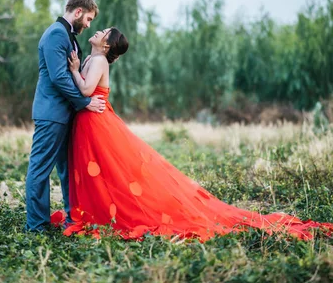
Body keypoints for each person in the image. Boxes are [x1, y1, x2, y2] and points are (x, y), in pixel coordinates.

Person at [51, 27, 333, 242]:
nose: (97, 31)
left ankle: (107, 212)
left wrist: (75, 72)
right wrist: (78, 69)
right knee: (95, 171)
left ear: (107, 44)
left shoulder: (99, 62)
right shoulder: (92, 56)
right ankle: (94, 209)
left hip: (98, 122)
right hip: (88, 121)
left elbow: (86, 91)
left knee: (111, 169)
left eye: (103, 32)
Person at [25, 0, 106, 232]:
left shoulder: (66, 35)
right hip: (51, 113)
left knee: (67, 170)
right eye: (89, 18)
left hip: (64, 115)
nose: (89, 24)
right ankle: (36, 227)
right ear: (78, 12)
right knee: (40, 168)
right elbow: (58, 76)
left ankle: (74, 219)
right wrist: (84, 101)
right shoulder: (56, 34)